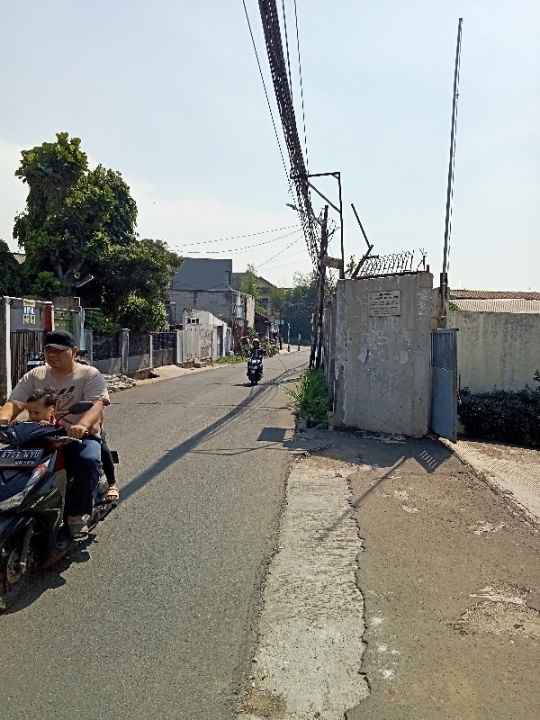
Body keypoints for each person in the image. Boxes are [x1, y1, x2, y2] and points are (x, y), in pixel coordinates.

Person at [0, 330, 110, 539]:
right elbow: (14, 404)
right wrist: (2, 421)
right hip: (38, 436)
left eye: (59, 350)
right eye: (48, 350)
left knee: (87, 461)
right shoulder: (35, 375)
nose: (52, 354)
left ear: (74, 351)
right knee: (8, 463)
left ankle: (76, 515)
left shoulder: (89, 374)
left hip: (76, 436)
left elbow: (97, 405)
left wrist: (82, 425)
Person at [23, 387, 119, 501]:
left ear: (51, 411)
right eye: (30, 412)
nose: (32, 416)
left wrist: (50, 427)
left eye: (36, 413)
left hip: (83, 431)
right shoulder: (33, 421)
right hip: (39, 461)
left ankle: (112, 483)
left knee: (98, 445)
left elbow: (97, 407)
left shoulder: (56, 424)